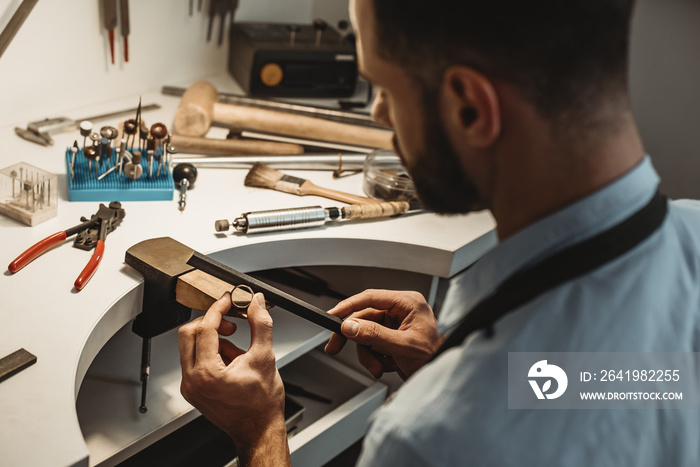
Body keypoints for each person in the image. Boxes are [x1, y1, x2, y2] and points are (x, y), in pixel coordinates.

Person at [178, 0, 700, 465]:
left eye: (383, 87)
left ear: (469, 107)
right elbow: (639, 382)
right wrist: (449, 358)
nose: (380, 114)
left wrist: (261, 432)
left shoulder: (429, 441)